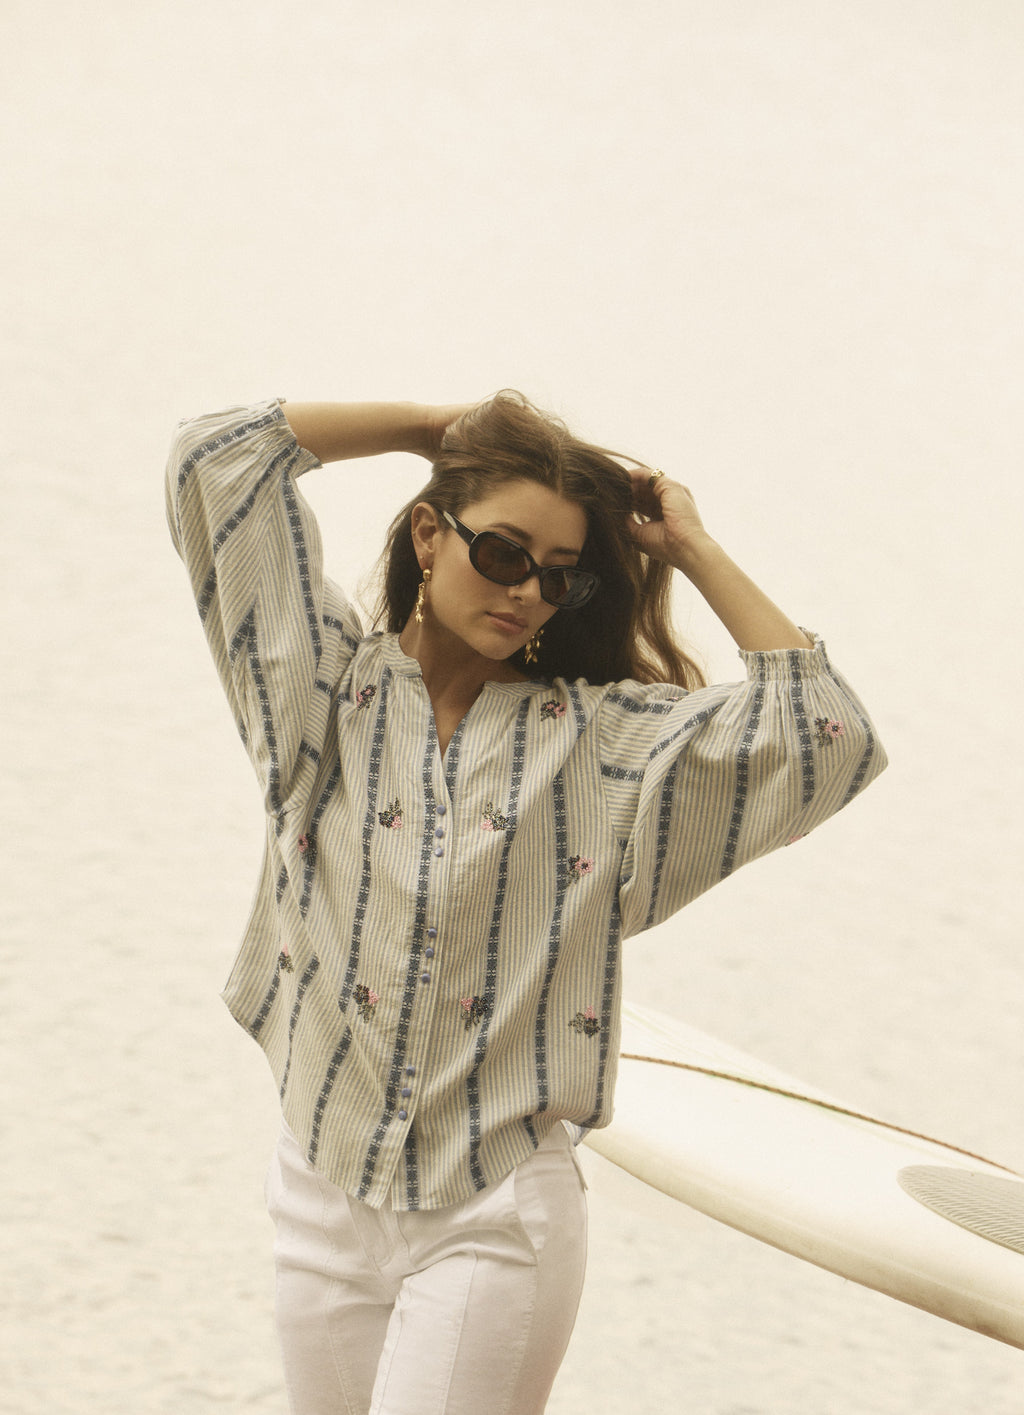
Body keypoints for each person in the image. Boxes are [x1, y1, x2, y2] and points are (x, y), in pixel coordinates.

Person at [166, 391, 886, 1415]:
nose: (526, 592)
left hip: (491, 1215)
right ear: (429, 534)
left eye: (559, 575)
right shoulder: (319, 694)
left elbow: (828, 735)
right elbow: (216, 458)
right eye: (503, 553)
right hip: (321, 1190)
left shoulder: (600, 743)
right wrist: (430, 429)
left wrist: (692, 550)